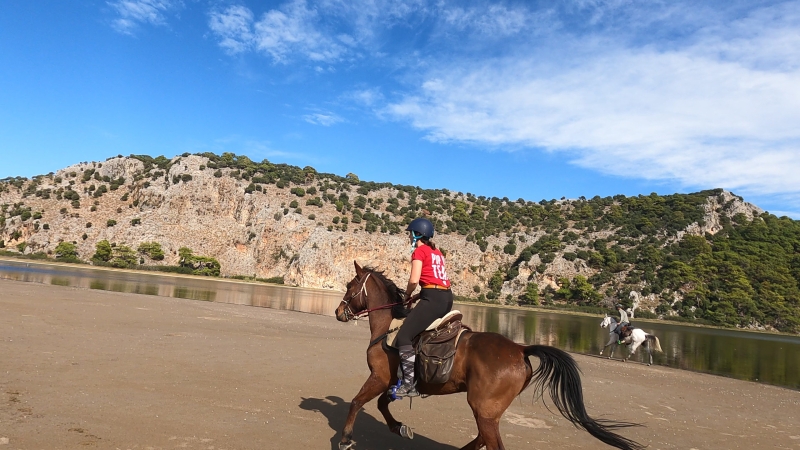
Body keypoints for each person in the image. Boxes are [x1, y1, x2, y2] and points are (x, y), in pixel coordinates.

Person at [392, 218, 453, 397]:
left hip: (433, 299)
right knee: (422, 333)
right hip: (446, 298)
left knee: (403, 336)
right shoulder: (437, 251)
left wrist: (408, 295)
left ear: (416, 234)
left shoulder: (419, 251)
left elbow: (413, 280)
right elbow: (435, 278)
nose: (409, 237)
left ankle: (409, 383)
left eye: (410, 233)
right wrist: (422, 294)